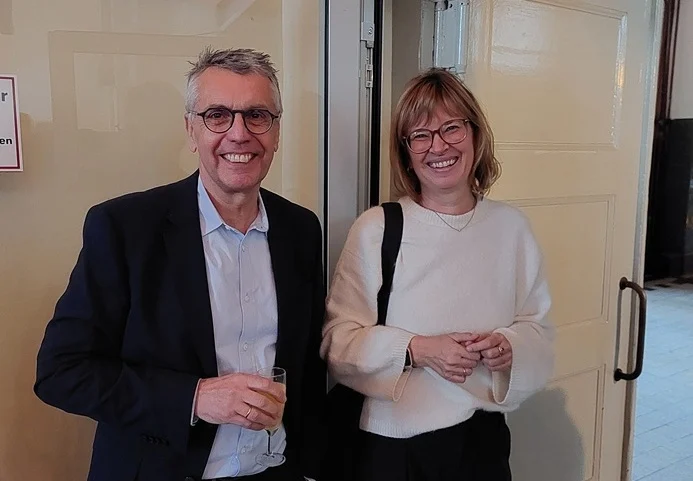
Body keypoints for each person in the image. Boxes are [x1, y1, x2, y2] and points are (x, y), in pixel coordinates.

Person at [34, 47, 326, 481]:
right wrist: (195, 397)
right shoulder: (125, 228)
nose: (239, 133)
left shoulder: (300, 229)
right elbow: (62, 371)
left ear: (276, 131)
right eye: (217, 116)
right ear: (191, 130)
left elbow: (307, 368)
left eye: (257, 115)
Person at [320, 68, 554, 481]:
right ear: (406, 152)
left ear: (475, 134)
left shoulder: (511, 228)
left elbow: (538, 329)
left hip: (482, 442)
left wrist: (510, 347)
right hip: (395, 447)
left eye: (451, 128)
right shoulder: (377, 229)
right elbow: (337, 343)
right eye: (421, 135)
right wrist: (418, 349)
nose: (439, 146)